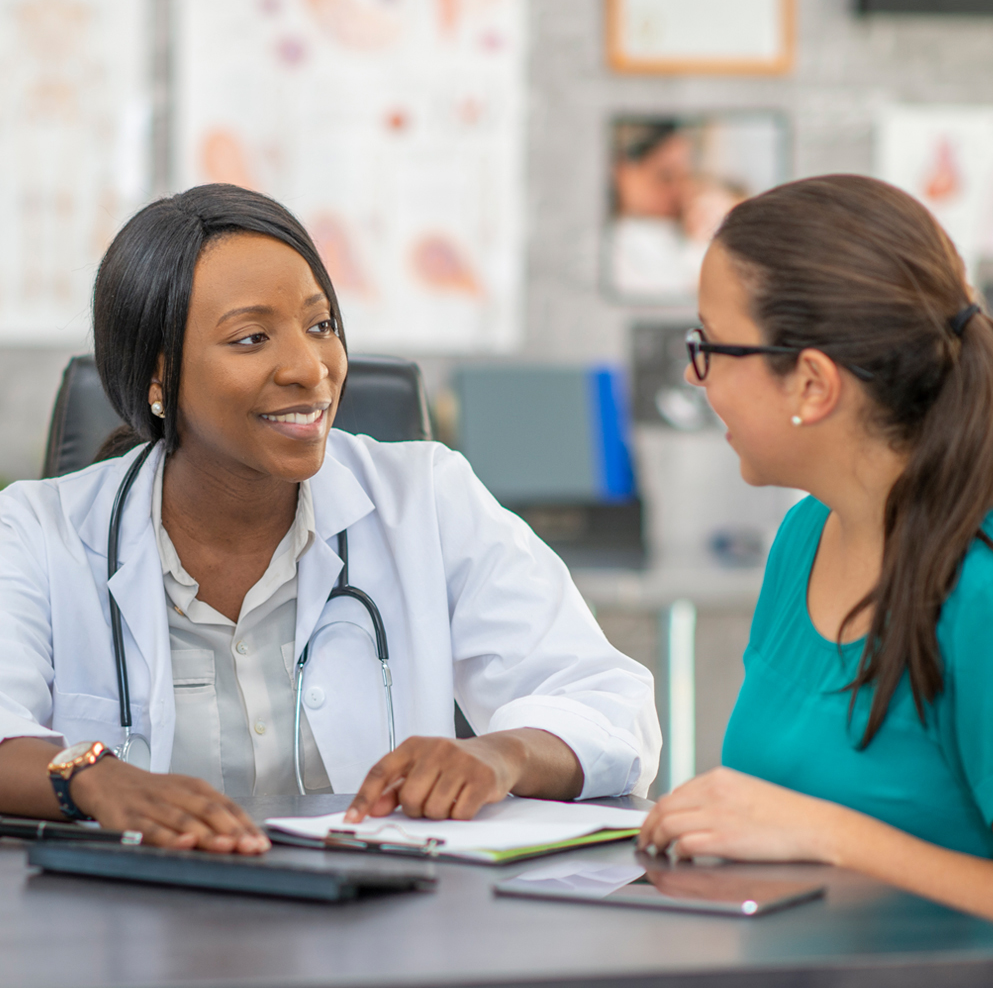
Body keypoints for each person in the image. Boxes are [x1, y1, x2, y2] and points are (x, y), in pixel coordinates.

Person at [0, 184, 660, 853]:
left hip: (378, 907)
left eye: (321, 326)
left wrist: (500, 756)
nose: (310, 368)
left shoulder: (426, 500)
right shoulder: (36, 532)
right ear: (157, 378)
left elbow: (607, 702)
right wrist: (90, 779)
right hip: (128, 912)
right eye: (251, 338)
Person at [639, 174, 993, 930]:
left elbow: (816, 829)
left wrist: (830, 836)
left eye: (709, 346)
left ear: (812, 384)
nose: (693, 373)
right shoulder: (805, 536)